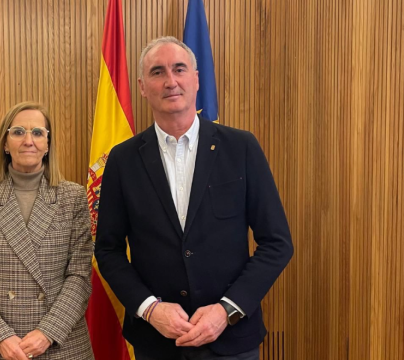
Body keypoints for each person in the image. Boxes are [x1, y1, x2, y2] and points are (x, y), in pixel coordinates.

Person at [94, 36, 293, 359]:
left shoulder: (241, 148)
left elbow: (277, 242)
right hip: (156, 342)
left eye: (179, 69)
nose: (171, 81)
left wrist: (227, 310)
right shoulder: (122, 159)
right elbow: (108, 250)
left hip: (231, 340)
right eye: (158, 72)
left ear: (196, 79)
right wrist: (149, 309)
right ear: (143, 87)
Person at [0, 102, 94, 360]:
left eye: (38, 132)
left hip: (60, 344)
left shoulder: (72, 197)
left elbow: (80, 276)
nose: (28, 140)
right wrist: (0, 336)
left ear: (48, 145)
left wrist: (47, 332)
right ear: (5, 144)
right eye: (18, 132)